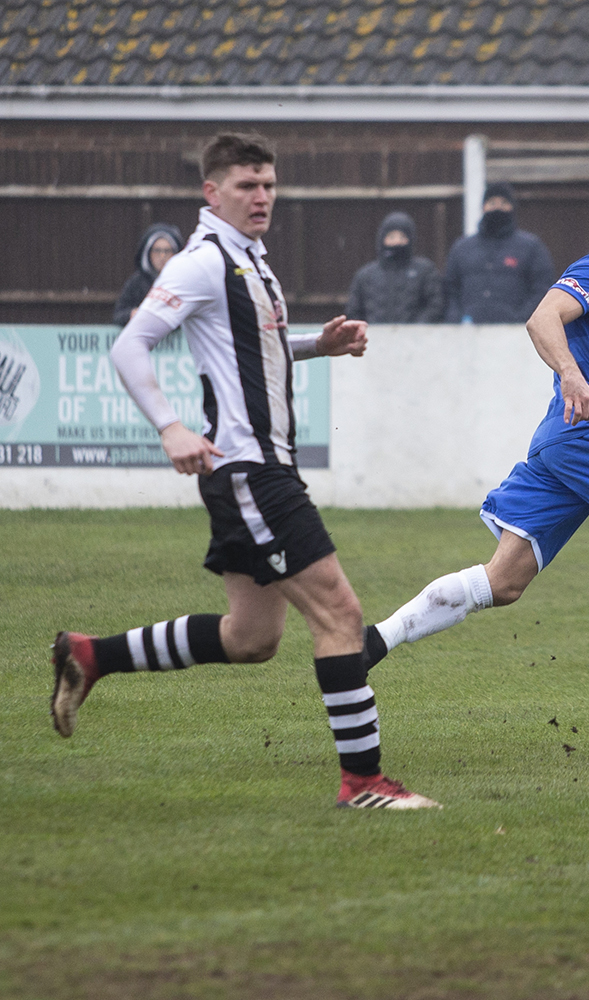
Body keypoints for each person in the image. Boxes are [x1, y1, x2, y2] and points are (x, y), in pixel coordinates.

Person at [51, 133, 438, 810]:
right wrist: (171, 427)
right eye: (246, 186)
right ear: (212, 193)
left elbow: (253, 349)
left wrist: (320, 344)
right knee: (342, 615)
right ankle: (364, 782)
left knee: (251, 638)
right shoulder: (202, 264)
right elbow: (129, 346)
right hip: (251, 472)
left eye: (268, 185)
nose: (261, 197)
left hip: (253, 470)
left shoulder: (248, 261)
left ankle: (90, 654)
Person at [365, 166, 589, 732]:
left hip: (559, 444)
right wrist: (570, 373)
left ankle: (371, 643)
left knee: (504, 582)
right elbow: (542, 317)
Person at [444, 181, 555, 324]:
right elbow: (450, 291)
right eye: (492, 202)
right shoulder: (462, 247)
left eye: (504, 203)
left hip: (516, 334)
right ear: (483, 207)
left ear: (512, 207)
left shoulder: (531, 247)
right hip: (468, 332)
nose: (498, 207)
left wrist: (521, 319)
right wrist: (456, 319)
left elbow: (542, 289)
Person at [345, 211, 445, 324]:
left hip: (415, 338)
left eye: (402, 237)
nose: (397, 242)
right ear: (382, 239)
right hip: (374, 338)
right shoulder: (366, 275)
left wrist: (416, 328)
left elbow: (435, 305)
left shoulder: (425, 271)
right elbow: (354, 311)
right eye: (391, 237)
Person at [112, 222, 184, 325]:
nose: (162, 256)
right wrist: (132, 314)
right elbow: (118, 315)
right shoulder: (136, 283)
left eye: (167, 251)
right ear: (148, 253)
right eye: (157, 250)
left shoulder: (182, 282)